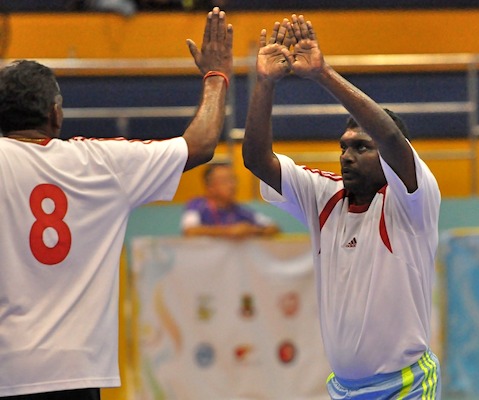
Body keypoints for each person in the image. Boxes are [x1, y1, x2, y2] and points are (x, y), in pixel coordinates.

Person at [0, 7, 232, 399]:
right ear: (56, 115)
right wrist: (216, 76)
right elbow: (203, 143)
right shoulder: (102, 164)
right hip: (78, 370)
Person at [242, 14, 442, 399]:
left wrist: (323, 75)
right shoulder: (323, 196)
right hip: (343, 390)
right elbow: (256, 159)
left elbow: (389, 136)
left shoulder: (412, 200)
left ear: (386, 156)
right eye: (343, 147)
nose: (347, 156)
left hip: (405, 386)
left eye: (361, 147)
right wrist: (265, 84)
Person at [180, 162, 280, 238]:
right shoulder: (196, 205)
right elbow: (189, 231)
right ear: (210, 187)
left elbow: (273, 227)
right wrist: (229, 232)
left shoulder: (240, 210)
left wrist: (253, 231)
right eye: (225, 181)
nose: (232, 185)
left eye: (233, 180)